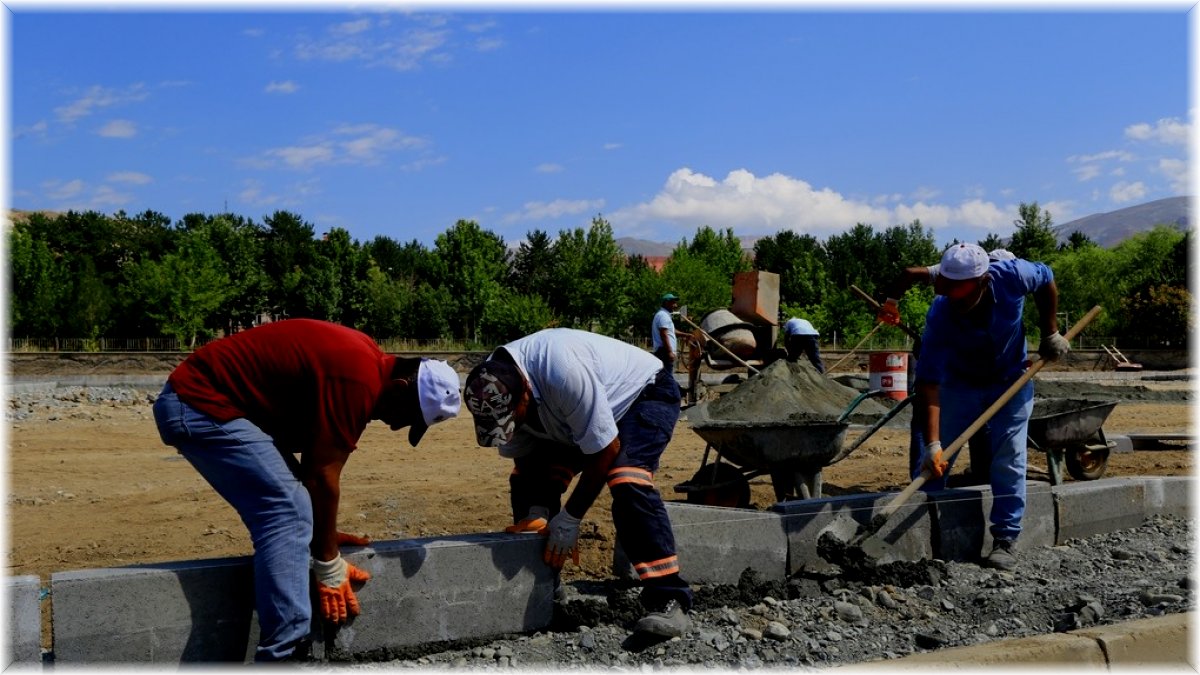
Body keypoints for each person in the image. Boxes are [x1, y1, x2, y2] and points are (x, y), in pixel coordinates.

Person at [151, 319, 461, 662]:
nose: (394, 425)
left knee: (299, 510)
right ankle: (283, 659)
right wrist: (328, 563)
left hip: (210, 403)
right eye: (406, 417)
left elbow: (316, 469)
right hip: (199, 403)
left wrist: (320, 534)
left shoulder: (364, 363)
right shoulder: (357, 378)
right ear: (401, 388)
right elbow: (321, 477)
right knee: (287, 512)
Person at [462, 328, 693, 638]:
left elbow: (606, 449)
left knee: (627, 478)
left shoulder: (563, 372)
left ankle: (670, 598)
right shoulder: (492, 384)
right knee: (525, 481)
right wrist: (537, 509)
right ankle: (545, 586)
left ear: (526, 393)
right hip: (571, 415)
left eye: (513, 419)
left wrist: (569, 519)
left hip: (644, 395)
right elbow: (526, 458)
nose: (511, 427)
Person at [912, 243, 1068, 571]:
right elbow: (928, 382)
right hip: (958, 385)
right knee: (932, 465)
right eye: (950, 289)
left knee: (1009, 457)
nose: (957, 297)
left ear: (984, 280)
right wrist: (933, 444)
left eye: (964, 290)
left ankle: (1006, 540)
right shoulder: (941, 312)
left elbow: (1047, 278)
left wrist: (1050, 331)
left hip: (1010, 381)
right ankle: (919, 535)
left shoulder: (1013, 276)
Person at [876, 247, 1017, 483]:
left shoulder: (999, 288)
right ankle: (926, 481)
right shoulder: (959, 270)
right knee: (930, 419)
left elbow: (910, 273)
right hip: (943, 357)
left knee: (980, 419)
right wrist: (891, 303)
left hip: (963, 364)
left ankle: (980, 477)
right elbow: (910, 273)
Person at [651, 292, 685, 371]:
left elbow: (671, 331)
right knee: (667, 377)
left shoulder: (664, 315)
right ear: (666, 303)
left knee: (664, 377)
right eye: (673, 303)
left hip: (663, 352)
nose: (675, 305)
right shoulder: (663, 316)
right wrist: (669, 352)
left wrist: (685, 335)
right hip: (664, 352)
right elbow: (664, 334)